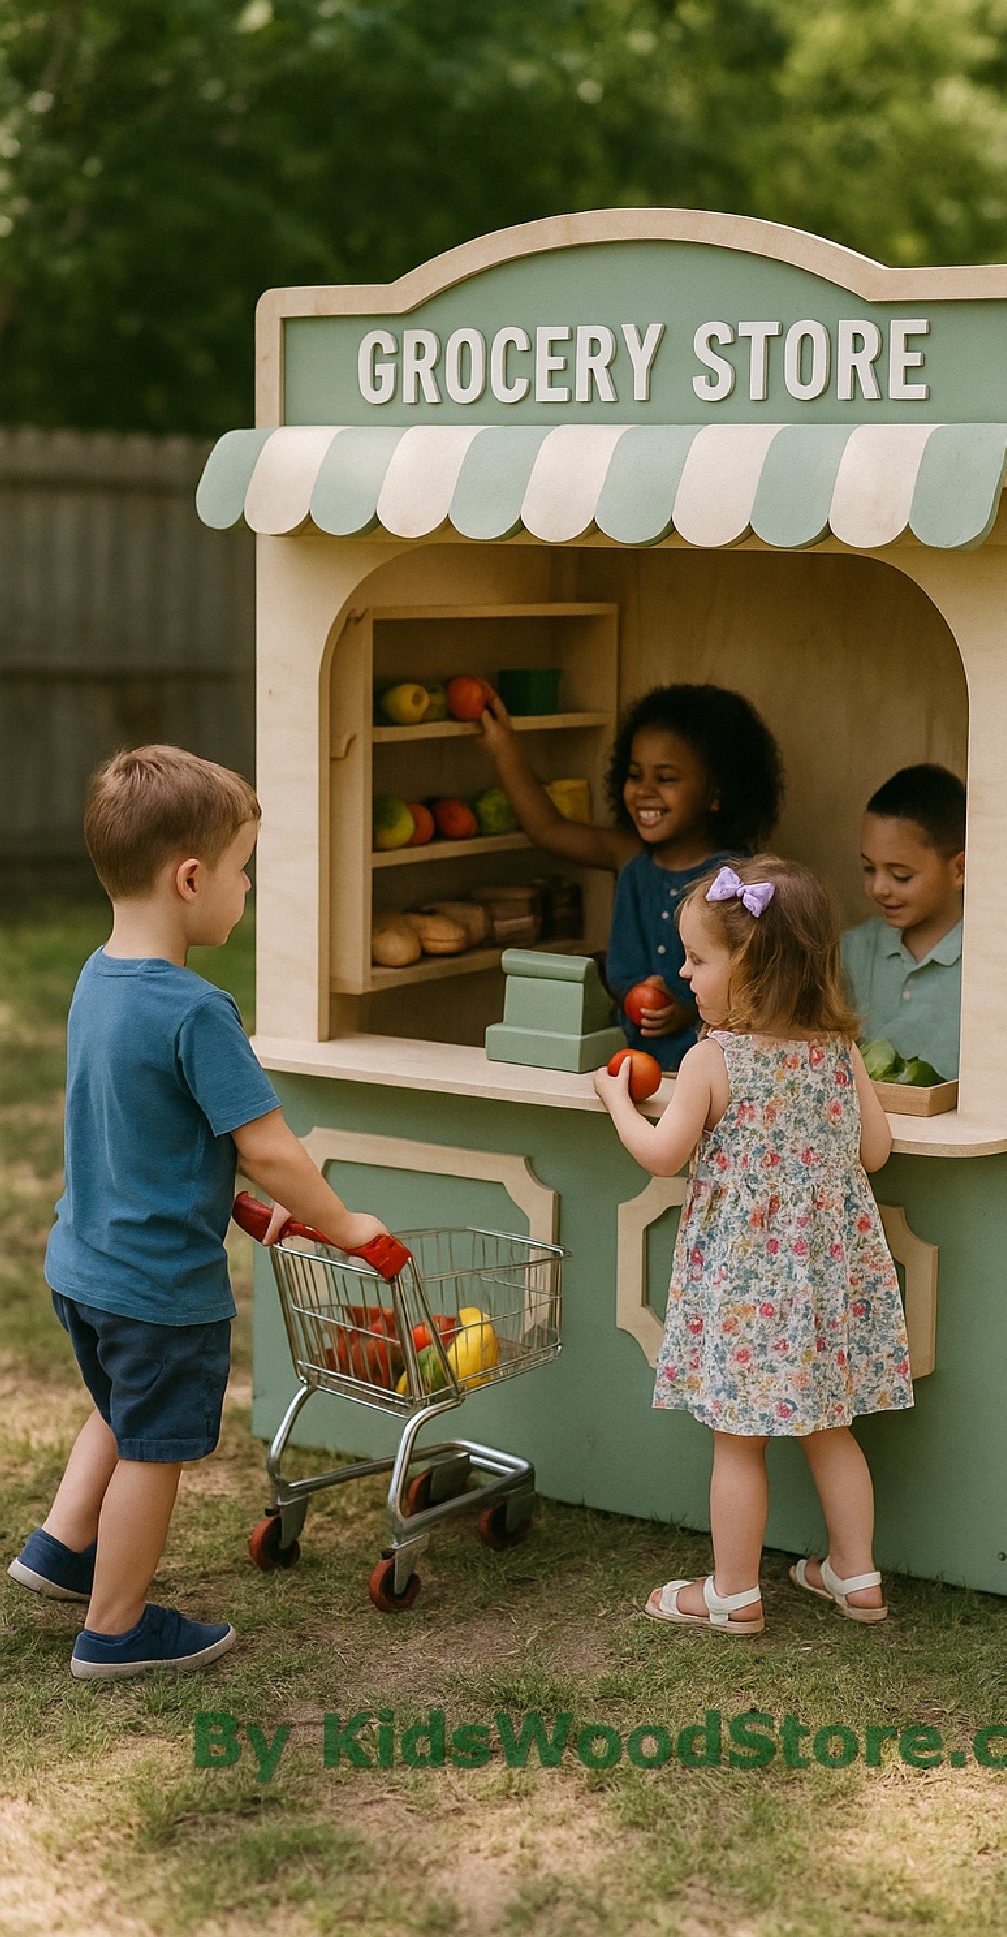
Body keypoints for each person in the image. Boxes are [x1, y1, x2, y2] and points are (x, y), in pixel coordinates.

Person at [9, 745, 388, 1679]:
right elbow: (264, 1142)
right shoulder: (196, 1008)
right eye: (241, 868)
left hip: (85, 1265)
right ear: (189, 879)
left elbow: (148, 1133)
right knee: (156, 1447)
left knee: (117, 1404)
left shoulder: (97, 980)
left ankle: (60, 1549)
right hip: (156, 1288)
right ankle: (116, 1628)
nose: (246, 887)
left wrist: (244, 1212)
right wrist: (345, 1224)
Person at [592, 854, 912, 1633]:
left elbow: (664, 1154)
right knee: (830, 1428)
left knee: (739, 1443)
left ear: (755, 969)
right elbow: (874, 1152)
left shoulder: (711, 1059)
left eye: (699, 960)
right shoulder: (836, 1053)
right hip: (826, 1279)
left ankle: (732, 1592)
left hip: (744, 1286)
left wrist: (615, 1102)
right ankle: (855, 1573)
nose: (684, 974)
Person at [480, 682, 783, 1070]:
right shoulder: (630, 857)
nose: (644, 791)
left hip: (706, 1075)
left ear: (717, 794)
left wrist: (689, 1009)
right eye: (635, 774)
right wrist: (503, 746)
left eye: (667, 778)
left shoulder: (738, 879)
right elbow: (547, 829)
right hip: (627, 1066)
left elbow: (758, 985)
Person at [840, 763, 965, 1079]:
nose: (879, 888)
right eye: (869, 869)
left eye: (901, 876)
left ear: (959, 870)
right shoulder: (852, 951)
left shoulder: (985, 960)